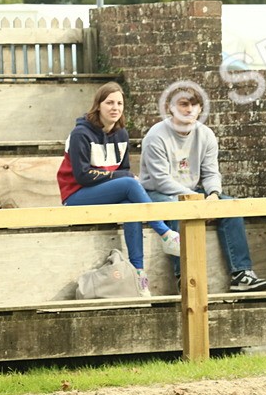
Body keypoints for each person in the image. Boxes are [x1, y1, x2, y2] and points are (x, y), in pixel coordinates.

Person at [139, 88, 266, 292]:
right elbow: (160, 180)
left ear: (200, 108)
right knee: (177, 208)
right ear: (171, 108)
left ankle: (241, 274)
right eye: (183, 104)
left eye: (194, 104)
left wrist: (213, 195)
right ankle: (184, 277)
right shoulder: (156, 136)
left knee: (229, 206)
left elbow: (211, 173)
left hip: (194, 193)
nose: (189, 109)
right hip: (157, 192)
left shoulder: (206, 134)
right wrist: (195, 200)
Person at [57, 81, 180, 298]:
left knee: (131, 206)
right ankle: (166, 233)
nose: (115, 108)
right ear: (98, 106)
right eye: (109, 103)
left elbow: (121, 169)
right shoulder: (80, 134)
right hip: (76, 195)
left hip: (104, 192)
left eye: (120, 103)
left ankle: (138, 274)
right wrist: (121, 177)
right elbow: (83, 176)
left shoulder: (121, 135)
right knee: (131, 183)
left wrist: (120, 176)